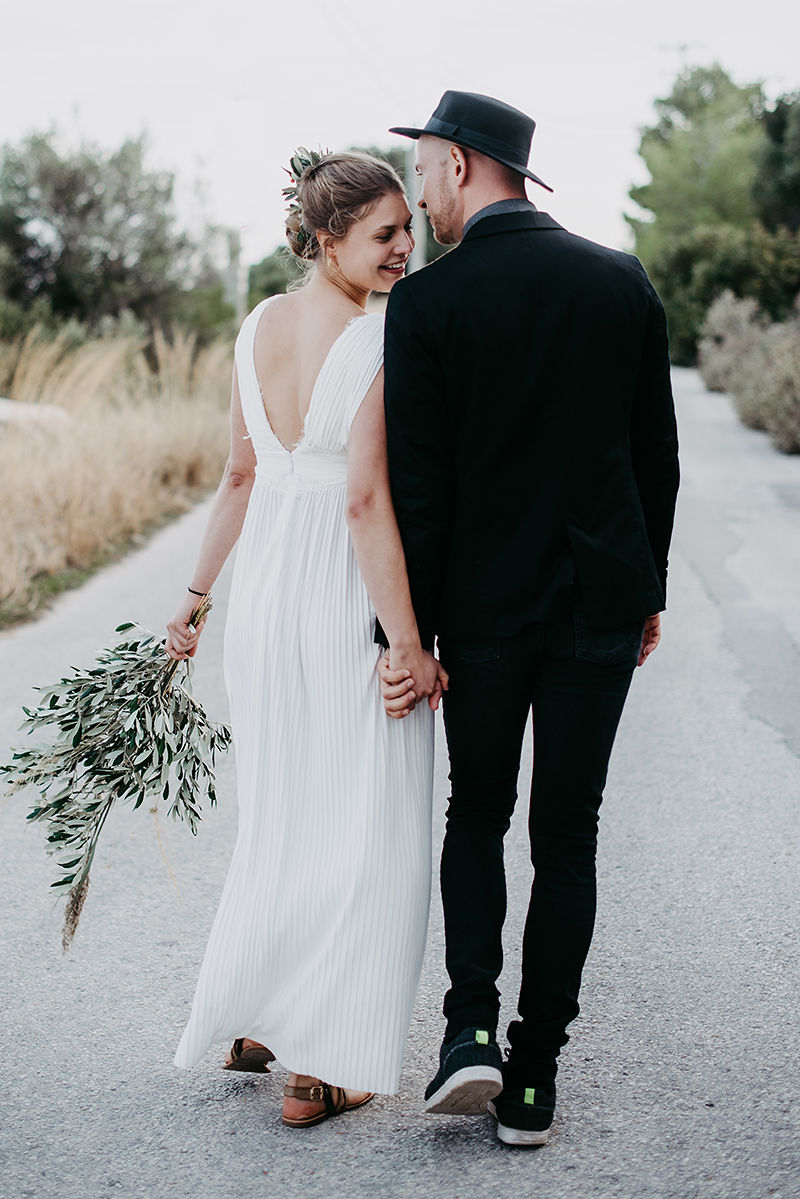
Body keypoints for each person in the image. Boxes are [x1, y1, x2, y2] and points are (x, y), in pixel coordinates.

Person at [378, 90, 680, 1147]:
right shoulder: (619, 279)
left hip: (482, 609)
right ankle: (536, 1074)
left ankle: (468, 1029)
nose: (420, 192)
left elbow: (417, 487)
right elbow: (654, 455)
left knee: (476, 811)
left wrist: (409, 634)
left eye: (423, 169)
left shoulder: (427, 302)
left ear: (461, 165)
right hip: (599, 602)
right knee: (567, 834)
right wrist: (646, 588)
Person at [167, 150, 447, 1129]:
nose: (405, 247)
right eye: (384, 234)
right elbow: (365, 501)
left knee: (284, 805)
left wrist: (196, 598)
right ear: (327, 239)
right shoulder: (376, 338)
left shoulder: (257, 326)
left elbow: (240, 475)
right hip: (338, 592)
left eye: (408, 228)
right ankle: (323, 1064)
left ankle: (256, 1014)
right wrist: (406, 644)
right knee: (369, 817)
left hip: (266, 599)